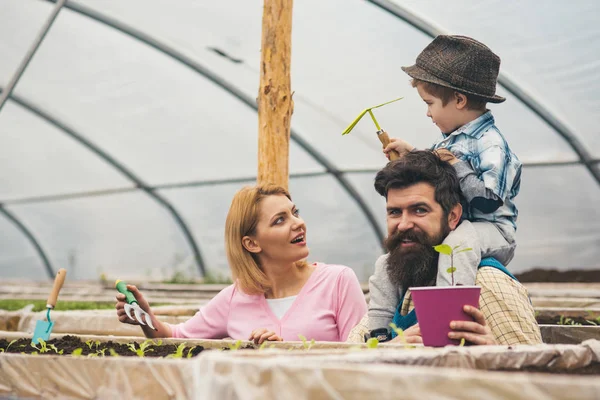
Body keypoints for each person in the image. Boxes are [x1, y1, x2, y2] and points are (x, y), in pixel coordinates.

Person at [369, 35, 521, 333]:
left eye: (430, 103)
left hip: (492, 230)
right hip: (459, 227)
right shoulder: (451, 139)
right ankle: (375, 332)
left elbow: (488, 200)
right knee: (385, 265)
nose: (427, 112)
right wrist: (412, 155)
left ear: (460, 101)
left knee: (455, 247)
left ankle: (444, 324)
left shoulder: (492, 145)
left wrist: (455, 164)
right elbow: (437, 174)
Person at [116, 184, 367, 344]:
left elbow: (358, 355)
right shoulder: (235, 298)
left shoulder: (338, 281)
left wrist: (288, 355)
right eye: (280, 220)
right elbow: (175, 337)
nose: (298, 223)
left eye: (295, 212)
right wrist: (145, 317)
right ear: (251, 244)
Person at [350, 151, 541, 345]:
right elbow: (346, 356)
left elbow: (539, 370)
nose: (404, 224)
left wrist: (493, 353)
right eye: (395, 212)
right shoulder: (397, 288)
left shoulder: (487, 285)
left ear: (453, 216)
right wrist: (388, 348)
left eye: (419, 210)